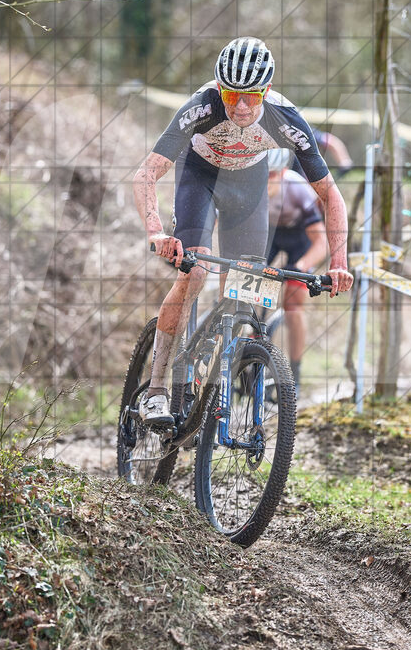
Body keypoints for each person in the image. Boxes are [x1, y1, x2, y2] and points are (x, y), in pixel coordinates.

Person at [133, 36, 354, 431]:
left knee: (247, 289)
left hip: (249, 186)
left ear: (266, 91)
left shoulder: (286, 119)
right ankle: (156, 389)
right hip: (199, 177)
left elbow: (330, 195)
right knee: (196, 272)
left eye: (251, 96)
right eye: (232, 94)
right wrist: (156, 232)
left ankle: (214, 382)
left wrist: (339, 262)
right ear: (220, 87)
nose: (240, 106)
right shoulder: (202, 107)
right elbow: (147, 173)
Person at [265, 148, 330, 395]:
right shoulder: (250, 187)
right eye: (262, 174)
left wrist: (301, 267)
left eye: (271, 175)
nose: (266, 180)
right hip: (268, 237)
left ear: (283, 173)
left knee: (293, 307)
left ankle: (295, 371)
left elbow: (321, 242)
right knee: (244, 291)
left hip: (300, 240)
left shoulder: (298, 190)